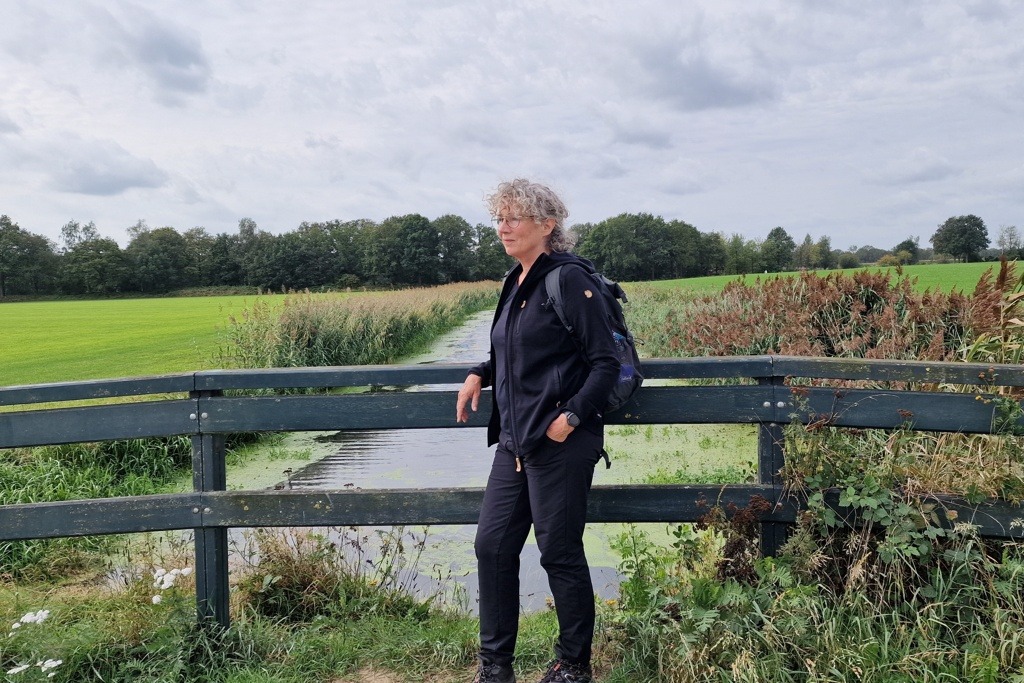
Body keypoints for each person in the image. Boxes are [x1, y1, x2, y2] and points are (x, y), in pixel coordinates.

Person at [456, 179, 620, 683]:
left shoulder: (568, 280)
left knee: (559, 552)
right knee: (493, 545)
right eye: (499, 218)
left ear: (547, 225)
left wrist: (570, 419)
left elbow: (605, 363)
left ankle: (573, 665)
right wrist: (481, 371)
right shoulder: (515, 280)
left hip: (560, 442)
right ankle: (495, 666)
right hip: (515, 442)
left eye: (514, 218)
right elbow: (515, 348)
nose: (503, 227)